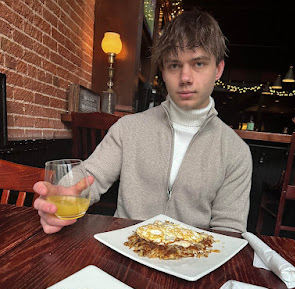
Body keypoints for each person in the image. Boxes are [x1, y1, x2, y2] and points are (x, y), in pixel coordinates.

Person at [34, 10, 252, 234]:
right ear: (164, 72)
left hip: (192, 261)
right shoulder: (128, 129)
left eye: (198, 64)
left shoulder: (236, 152)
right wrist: (61, 198)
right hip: (124, 253)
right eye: (174, 65)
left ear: (218, 69)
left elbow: (229, 232)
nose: (185, 77)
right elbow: (91, 177)